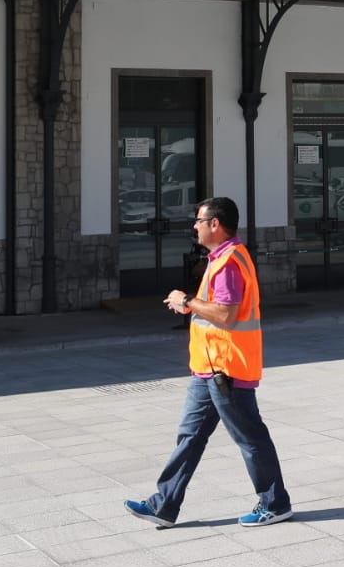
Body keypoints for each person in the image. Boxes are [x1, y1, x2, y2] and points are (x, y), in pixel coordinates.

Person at [125, 197, 293, 530]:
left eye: (199, 221)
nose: (195, 226)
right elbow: (217, 310)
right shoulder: (222, 258)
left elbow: (227, 315)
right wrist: (192, 307)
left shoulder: (229, 261)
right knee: (189, 436)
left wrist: (186, 300)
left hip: (226, 370)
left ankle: (275, 503)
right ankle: (164, 504)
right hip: (208, 369)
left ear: (215, 224)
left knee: (250, 437)